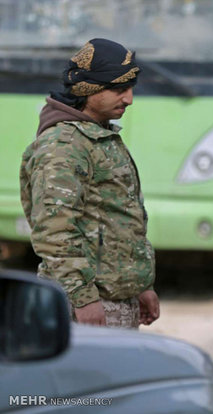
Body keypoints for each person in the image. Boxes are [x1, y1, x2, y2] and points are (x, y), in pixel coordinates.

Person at [20, 38, 159, 329]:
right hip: (86, 308)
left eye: (130, 89)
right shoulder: (64, 145)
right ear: (88, 89)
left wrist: (140, 286)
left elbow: (120, 221)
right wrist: (83, 299)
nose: (129, 99)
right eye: (119, 89)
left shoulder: (96, 136)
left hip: (113, 303)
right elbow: (54, 232)